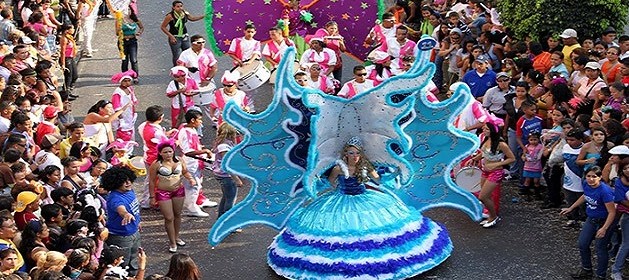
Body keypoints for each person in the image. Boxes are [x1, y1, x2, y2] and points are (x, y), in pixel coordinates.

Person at [267, 136, 450, 279]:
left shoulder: (365, 165)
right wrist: (315, 179)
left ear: (361, 154)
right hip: (342, 199)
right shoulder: (339, 168)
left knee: (381, 231)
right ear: (345, 154)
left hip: (366, 199)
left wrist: (389, 169)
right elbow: (331, 184)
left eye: (357, 153)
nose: (354, 156)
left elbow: (378, 180)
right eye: (351, 153)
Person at [561, 166, 615, 280]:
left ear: (600, 177)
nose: (591, 179)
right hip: (591, 219)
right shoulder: (586, 184)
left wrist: (604, 228)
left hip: (604, 221)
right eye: (588, 176)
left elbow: (611, 212)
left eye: (594, 177)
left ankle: (601, 275)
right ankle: (586, 270)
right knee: (582, 244)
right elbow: (585, 196)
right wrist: (571, 208)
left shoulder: (605, 191)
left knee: (600, 248)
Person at [148, 140, 196, 253]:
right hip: (163, 192)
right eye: (165, 152)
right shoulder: (156, 164)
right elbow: (151, 181)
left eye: (170, 151)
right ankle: (172, 242)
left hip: (178, 191)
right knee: (169, 218)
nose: (168, 154)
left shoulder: (179, 160)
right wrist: (152, 197)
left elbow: (185, 172)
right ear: (160, 153)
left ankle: (176, 237)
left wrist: (191, 178)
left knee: (178, 215)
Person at [468, 120, 515, 228]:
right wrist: (475, 158)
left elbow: (512, 158)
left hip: (496, 172)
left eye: (487, 129)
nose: (484, 130)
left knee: (483, 196)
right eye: (484, 128)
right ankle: (490, 214)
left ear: (493, 130)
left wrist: (496, 164)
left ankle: (493, 216)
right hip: (485, 171)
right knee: (486, 196)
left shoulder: (501, 144)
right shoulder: (486, 140)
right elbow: (484, 153)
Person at [102, 166, 141, 276]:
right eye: (123, 181)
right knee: (121, 265)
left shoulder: (130, 191)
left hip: (134, 232)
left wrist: (138, 221)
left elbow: (134, 209)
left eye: (129, 179)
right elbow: (121, 209)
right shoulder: (115, 198)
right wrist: (125, 214)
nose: (128, 183)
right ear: (115, 183)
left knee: (134, 262)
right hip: (120, 237)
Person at [177, 109, 215, 217]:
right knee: (193, 186)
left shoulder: (191, 128)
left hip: (196, 162)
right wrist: (204, 151)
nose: (201, 122)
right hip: (190, 164)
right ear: (193, 120)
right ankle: (192, 208)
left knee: (198, 183)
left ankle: (199, 201)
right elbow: (188, 152)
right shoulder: (186, 132)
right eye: (200, 120)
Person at [138, 105, 175, 209]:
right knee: (155, 180)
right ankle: (149, 201)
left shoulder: (143, 126)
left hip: (147, 156)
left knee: (150, 179)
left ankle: (147, 200)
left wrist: (166, 134)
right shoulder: (157, 132)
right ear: (160, 118)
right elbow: (167, 144)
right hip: (155, 158)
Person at [176, 34, 217, 120]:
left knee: (210, 105)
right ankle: (196, 128)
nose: (202, 44)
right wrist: (188, 69)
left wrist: (208, 79)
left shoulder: (207, 53)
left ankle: (216, 123)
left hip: (206, 83)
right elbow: (179, 69)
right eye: (199, 43)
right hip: (191, 83)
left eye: (203, 42)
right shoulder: (185, 54)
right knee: (192, 108)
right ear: (193, 44)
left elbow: (214, 67)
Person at [211, 123, 243, 218]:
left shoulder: (224, 142)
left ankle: (221, 219)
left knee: (226, 197)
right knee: (230, 200)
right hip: (226, 176)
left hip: (224, 175)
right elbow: (226, 165)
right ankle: (228, 222)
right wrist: (236, 179)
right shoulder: (224, 146)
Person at [227, 24, 261, 112]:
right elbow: (231, 53)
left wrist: (250, 61)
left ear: (255, 33)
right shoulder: (237, 41)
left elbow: (256, 53)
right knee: (239, 87)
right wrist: (238, 60)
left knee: (252, 88)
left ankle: (250, 107)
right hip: (239, 67)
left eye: (252, 32)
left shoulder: (256, 42)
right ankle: (240, 106)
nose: (250, 34)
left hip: (251, 66)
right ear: (244, 31)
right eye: (248, 31)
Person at [161, 0, 205, 66]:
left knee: (188, 53)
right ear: (173, 7)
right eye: (178, 6)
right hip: (175, 37)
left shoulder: (184, 13)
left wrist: (203, 16)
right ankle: (177, 70)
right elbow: (163, 27)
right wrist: (171, 36)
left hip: (184, 36)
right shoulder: (170, 16)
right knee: (177, 55)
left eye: (181, 6)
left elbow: (192, 18)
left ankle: (188, 68)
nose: (180, 8)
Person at [611, 158, 629, 280]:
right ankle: (616, 270)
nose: (628, 170)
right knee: (626, 244)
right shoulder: (618, 182)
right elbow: (620, 199)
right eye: (625, 168)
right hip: (627, 216)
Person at [116, 2, 143, 81]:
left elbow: (141, 27)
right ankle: (125, 76)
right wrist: (119, 26)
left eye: (128, 10)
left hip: (132, 41)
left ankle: (135, 76)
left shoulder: (134, 19)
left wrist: (139, 32)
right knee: (125, 60)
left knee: (133, 60)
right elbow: (117, 33)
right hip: (122, 41)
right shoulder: (119, 19)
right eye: (124, 10)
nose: (126, 12)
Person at [111, 71, 138, 142]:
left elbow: (132, 101)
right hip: (122, 117)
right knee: (123, 136)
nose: (127, 83)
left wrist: (134, 113)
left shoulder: (130, 89)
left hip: (130, 115)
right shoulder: (117, 93)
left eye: (129, 81)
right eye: (125, 81)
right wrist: (121, 120)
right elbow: (116, 108)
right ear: (121, 81)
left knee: (131, 134)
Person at [522, 132, 544, 199]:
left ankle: (537, 194)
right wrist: (524, 157)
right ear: (528, 140)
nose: (533, 141)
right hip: (528, 166)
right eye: (531, 140)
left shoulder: (540, 147)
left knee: (536, 181)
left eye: (535, 139)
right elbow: (523, 155)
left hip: (536, 166)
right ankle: (527, 195)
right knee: (527, 180)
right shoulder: (527, 146)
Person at [58, 24, 77, 93]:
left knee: (75, 75)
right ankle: (66, 93)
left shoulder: (69, 37)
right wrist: (63, 64)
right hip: (66, 59)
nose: (73, 30)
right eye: (72, 28)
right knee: (68, 76)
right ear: (67, 30)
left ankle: (69, 91)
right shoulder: (64, 39)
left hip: (71, 58)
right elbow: (62, 52)